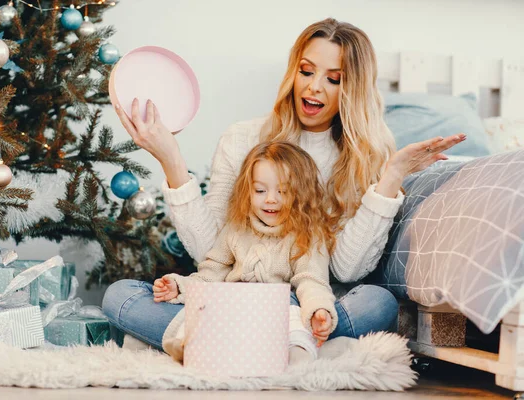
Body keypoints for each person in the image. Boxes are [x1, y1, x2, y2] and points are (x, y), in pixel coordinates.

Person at [103, 18, 466, 350]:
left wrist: (390, 179)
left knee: (378, 302)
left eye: (333, 79)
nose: (314, 87)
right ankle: (275, 344)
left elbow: (345, 271)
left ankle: (217, 341)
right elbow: (210, 251)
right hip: (231, 299)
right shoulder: (242, 138)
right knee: (119, 296)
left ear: (351, 88)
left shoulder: (367, 153)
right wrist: (171, 160)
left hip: (308, 303)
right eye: (306, 71)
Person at [154, 141, 337, 364]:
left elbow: (312, 281)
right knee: (203, 309)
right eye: (260, 190)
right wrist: (179, 286)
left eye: (284, 191)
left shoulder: (307, 234)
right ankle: (188, 343)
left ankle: (298, 355)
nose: (271, 199)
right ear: (247, 190)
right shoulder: (236, 228)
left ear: (302, 194)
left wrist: (319, 310)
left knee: (294, 314)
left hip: (278, 311)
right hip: (235, 308)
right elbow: (210, 274)